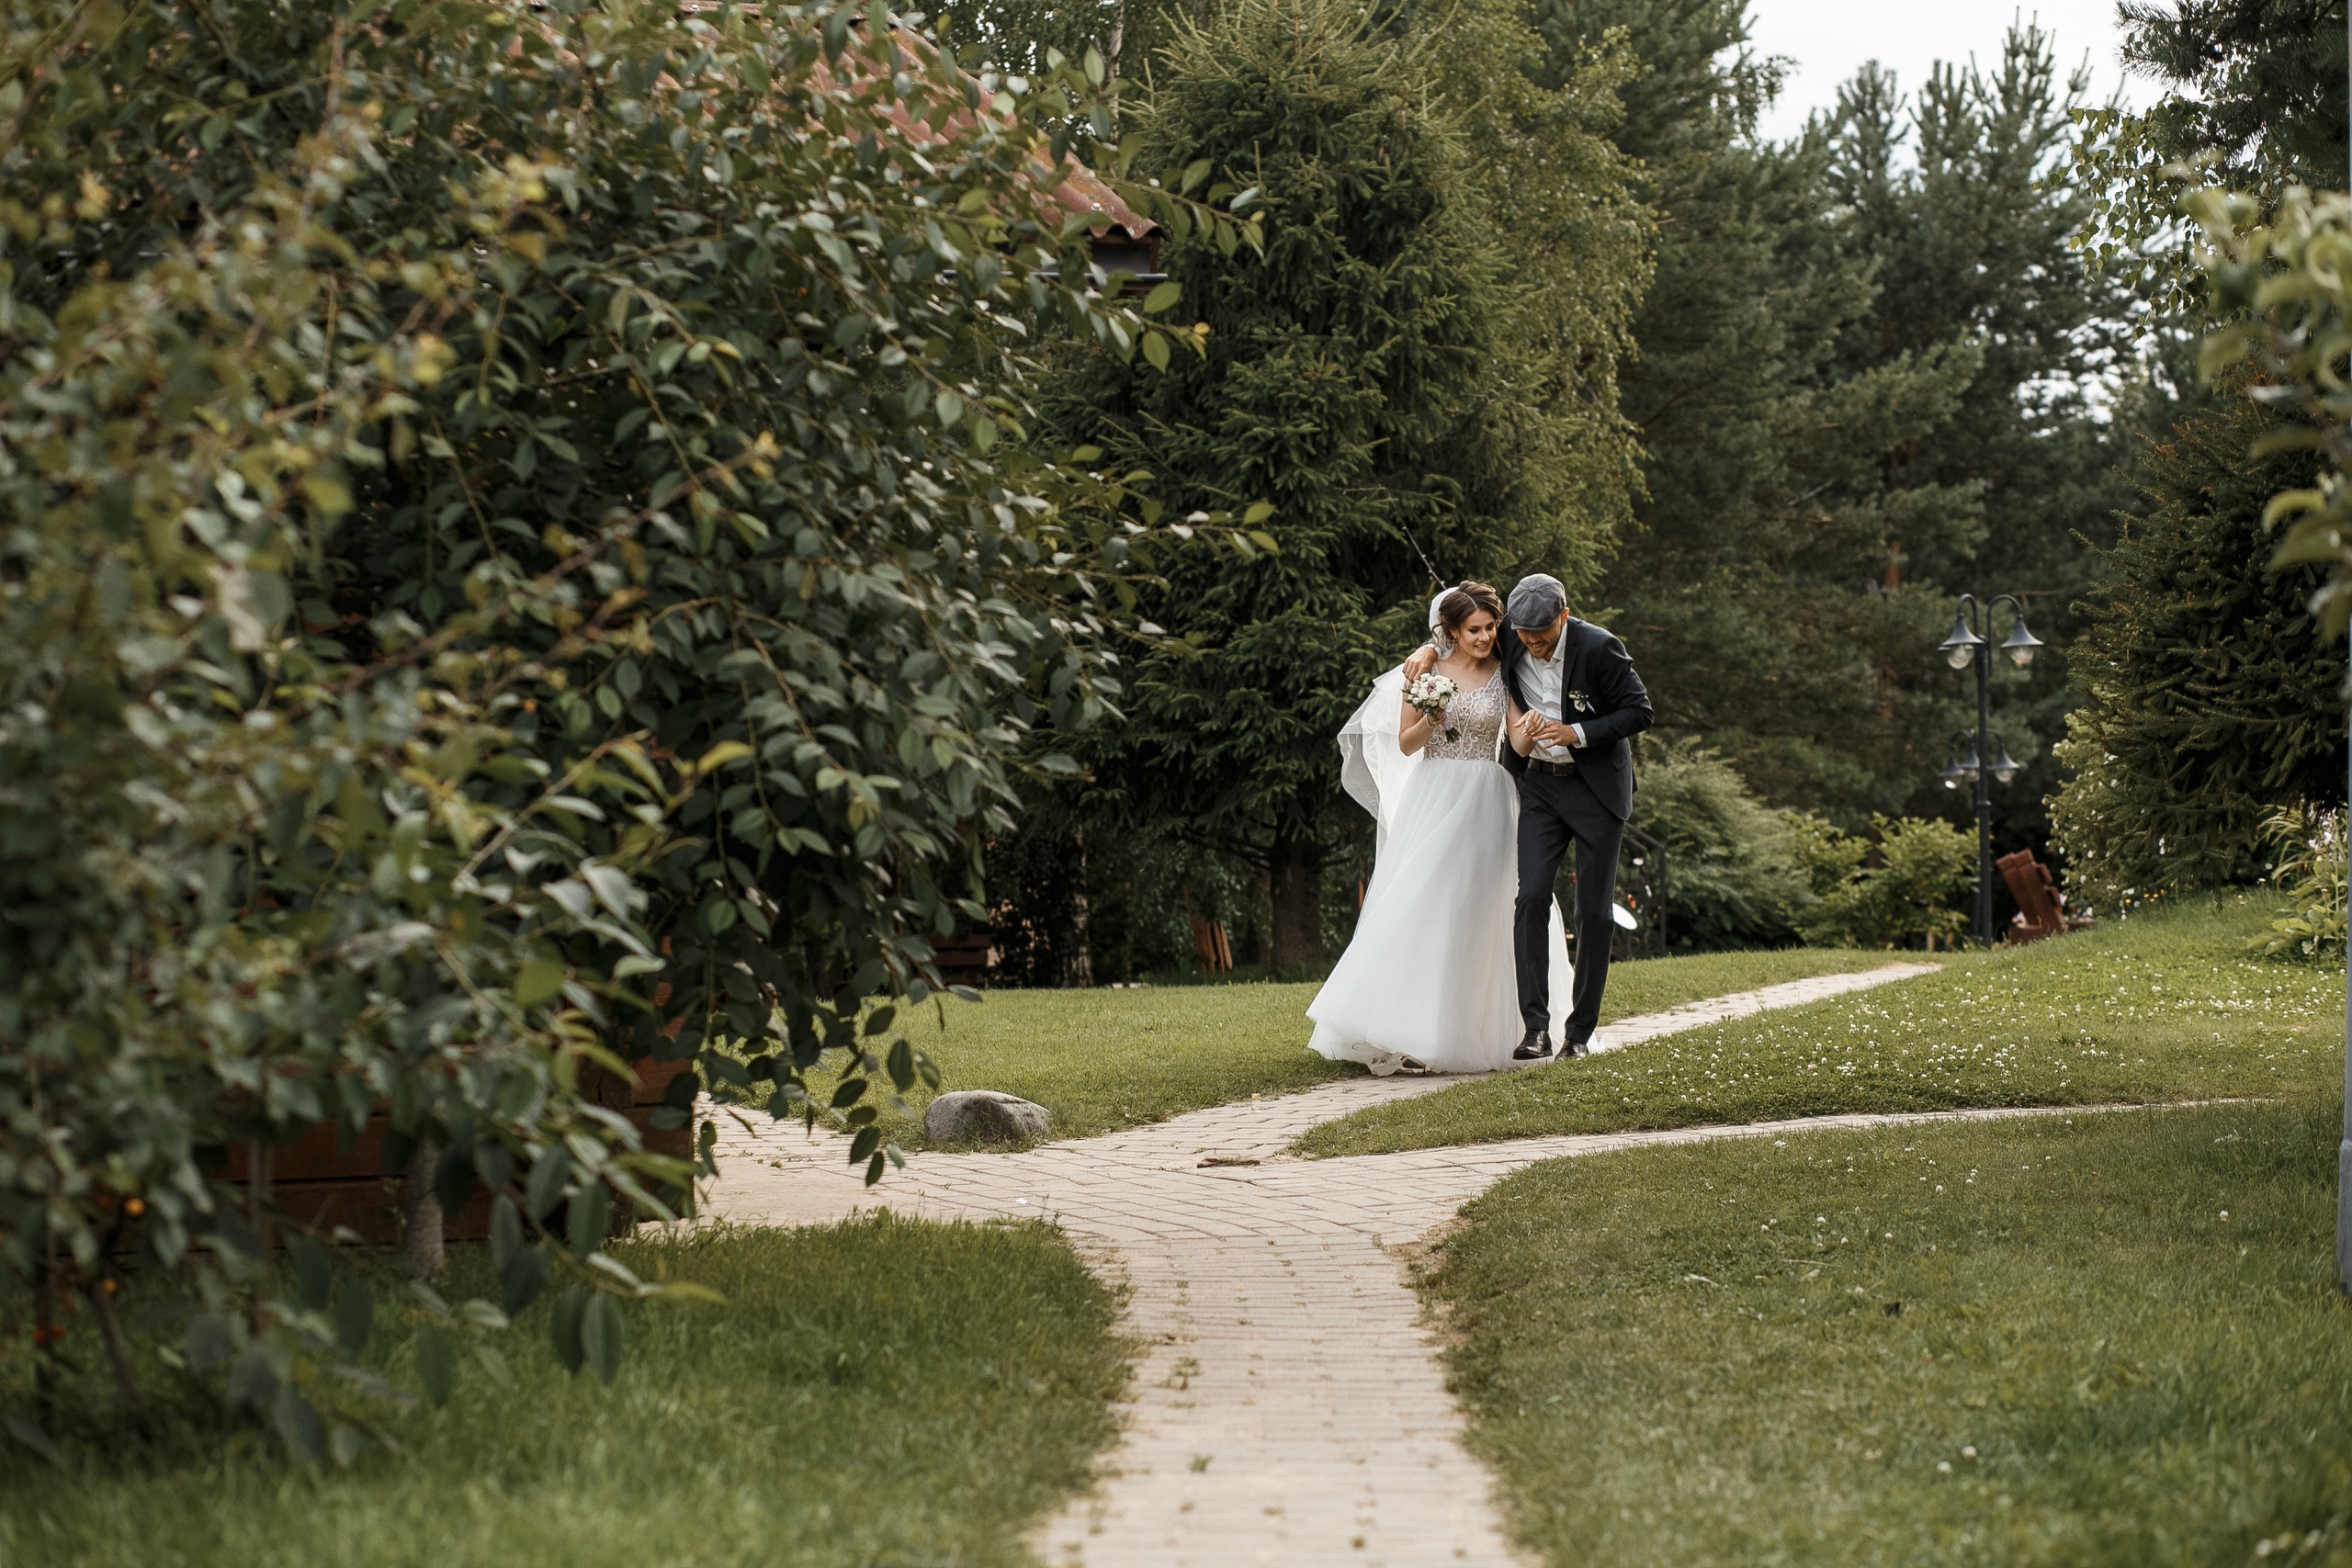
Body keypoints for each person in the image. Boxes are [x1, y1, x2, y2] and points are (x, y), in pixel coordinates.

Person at [1305, 582, 1574, 1076]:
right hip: (1436, 792)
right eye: (1475, 629)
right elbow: (1407, 744)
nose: (1486, 637)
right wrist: (1433, 715)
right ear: (1450, 630)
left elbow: (1513, 736)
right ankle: (1409, 1031)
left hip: (1490, 796)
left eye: (1492, 628)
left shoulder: (1503, 672)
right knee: (1428, 902)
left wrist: (1532, 728)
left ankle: (1497, 1029)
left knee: (1488, 907)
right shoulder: (1426, 669)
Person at [1402, 573, 1651, 1060]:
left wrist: (1574, 732)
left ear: (1563, 616)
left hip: (1596, 792)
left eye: (1542, 637)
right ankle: (1534, 1028)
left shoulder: (1601, 647)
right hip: (1538, 787)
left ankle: (1577, 1035)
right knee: (1531, 895)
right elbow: (1459, 639)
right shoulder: (1510, 644)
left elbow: (1639, 711)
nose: (1531, 645)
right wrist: (1428, 652)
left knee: (1594, 914)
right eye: (1523, 635)